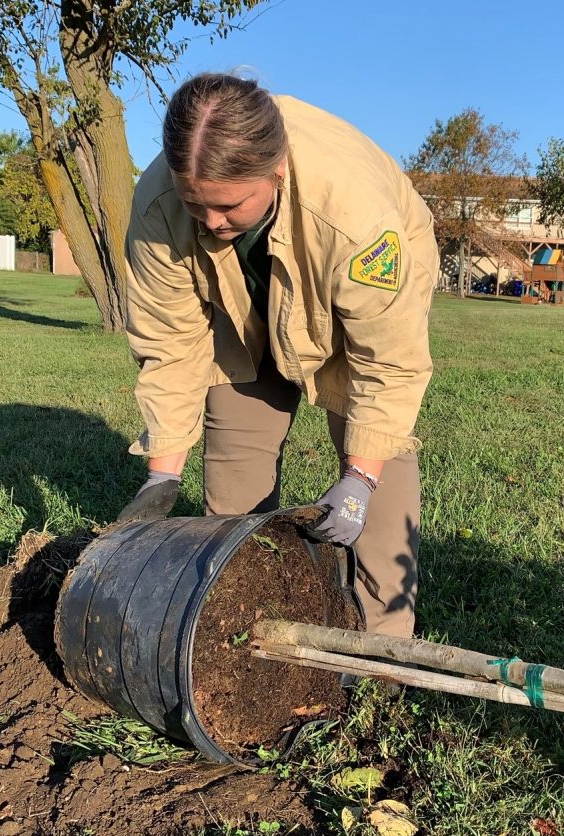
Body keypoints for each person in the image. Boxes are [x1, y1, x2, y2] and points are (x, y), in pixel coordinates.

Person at [116, 73, 438, 639]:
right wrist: (161, 477)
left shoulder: (358, 220)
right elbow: (169, 345)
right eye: (198, 205)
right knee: (233, 490)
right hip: (243, 309)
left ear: (276, 170)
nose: (212, 223)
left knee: (377, 502)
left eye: (228, 205)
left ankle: (385, 647)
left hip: (350, 300)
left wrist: (361, 479)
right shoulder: (160, 209)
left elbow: (386, 364)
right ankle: (241, 620)